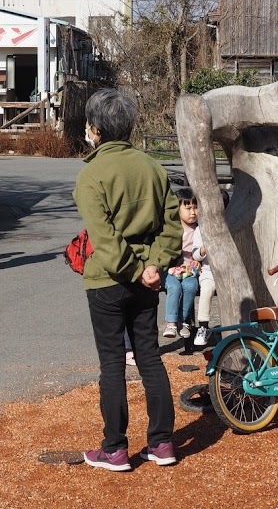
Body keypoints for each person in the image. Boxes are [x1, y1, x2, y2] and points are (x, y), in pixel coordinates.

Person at [74, 88, 184, 471]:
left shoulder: (91, 175)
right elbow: (173, 224)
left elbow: (104, 240)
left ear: (95, 129)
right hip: (147, 281)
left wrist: (138, 269)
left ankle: (115, 448)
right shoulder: (152, 167)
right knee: (150, 358)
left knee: (112, 364)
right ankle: (163, 443)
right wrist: (153, 267)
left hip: (107, 281)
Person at [163, 188, 201, 340]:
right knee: (174, 286)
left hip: (189, 270)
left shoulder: (199, 229)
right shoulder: (172, 229)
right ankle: (171, 322)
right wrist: (170, 268)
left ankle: (183, 320)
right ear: (177, 210)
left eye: (195, 207)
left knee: (190, 286)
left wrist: (198, 261)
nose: (193, 212)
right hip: (170, 269)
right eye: (188, 208)